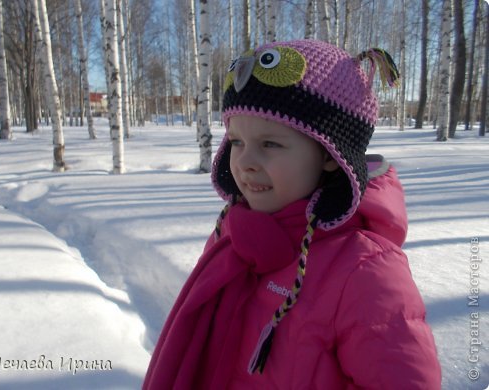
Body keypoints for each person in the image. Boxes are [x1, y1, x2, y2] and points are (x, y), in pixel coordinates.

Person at [143, 39, 441, 389]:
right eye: (237, 142)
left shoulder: (365, 270)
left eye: (270, 144)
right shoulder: (233, 233)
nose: (245, 162)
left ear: (331, 154)